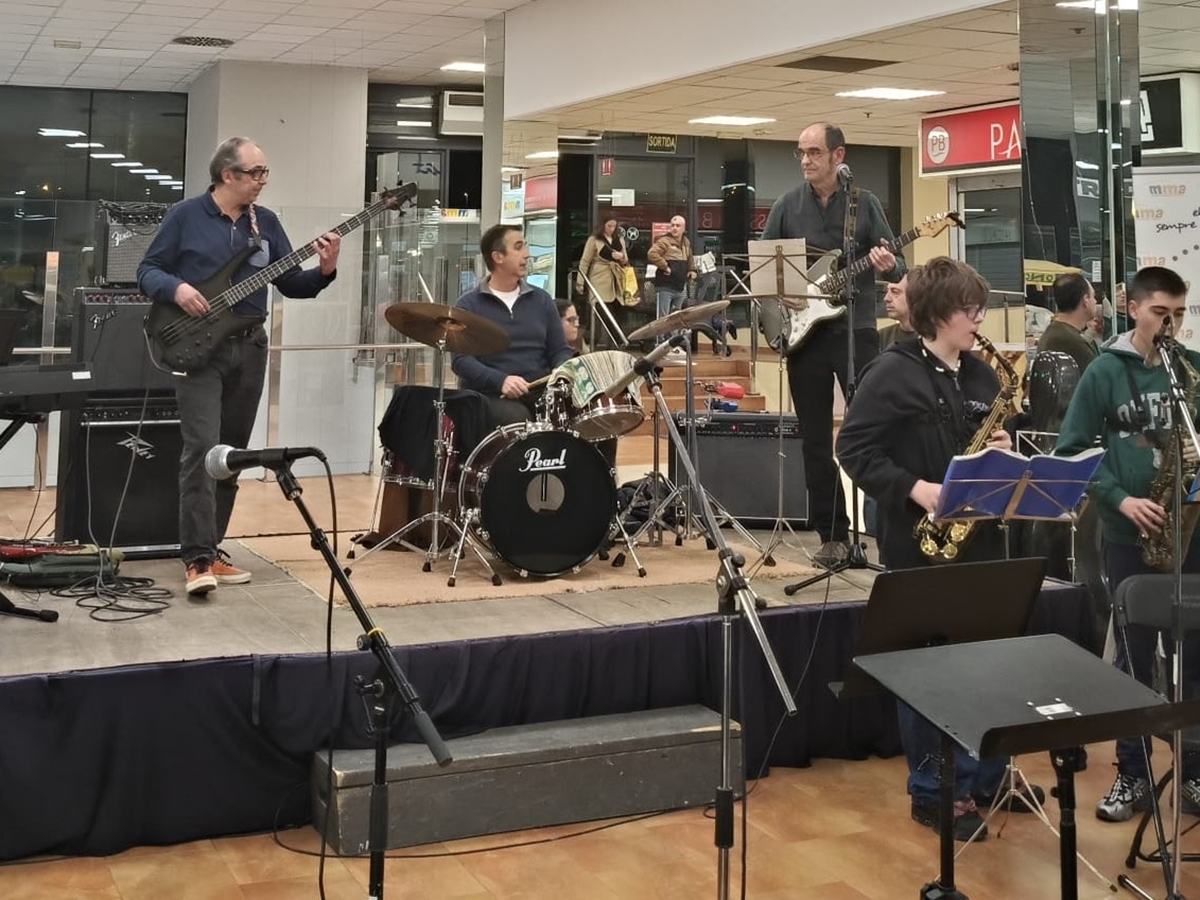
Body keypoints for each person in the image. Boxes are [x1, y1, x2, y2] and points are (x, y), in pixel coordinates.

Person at [836, 257, 1042, 841]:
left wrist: (1004, 447)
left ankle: (986, 777)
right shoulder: (889, 373)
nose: (979, 320)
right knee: (927, 669)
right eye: (969, 310)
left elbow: (989, 449)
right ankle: (935, 792)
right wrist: (917, 489)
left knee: (988, 662)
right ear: (937, 313)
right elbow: (853, 450)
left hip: (982, 540)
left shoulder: (982, 376)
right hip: (917, 542)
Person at [137, 136, 341, 596]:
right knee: (201, 450)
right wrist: (177, 290)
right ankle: (196, 559)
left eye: (265, 172)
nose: (263, 180)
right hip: (197, 351)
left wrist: (326, 269)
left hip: (249, 349)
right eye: (256, 172)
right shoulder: (186, 216)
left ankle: (213, 549)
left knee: (231, 455)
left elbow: (292, 283)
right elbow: (148, 271)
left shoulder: (265, 223)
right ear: (227, 174)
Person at [1055, 265, 1200, 822]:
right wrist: (1121, 500)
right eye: (1161, 313)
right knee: (1134, 660)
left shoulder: (1188, 369)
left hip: (1191, 532)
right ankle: (1133, 773)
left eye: (1179, 314)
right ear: (1133, 309)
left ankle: (1194, 772)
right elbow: (1072, 450)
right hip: (1129, 535)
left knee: (1196, 657)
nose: (1170, 325)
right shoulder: (1105, 371)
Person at [762, 122, 905, 567]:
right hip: (804, 337)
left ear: (837, 156)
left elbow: (898, 266)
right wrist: (780, 295)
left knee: (873, 431)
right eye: (801, 153)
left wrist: (888, 264)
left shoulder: (865, 203)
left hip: (856, 331)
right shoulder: (786, 205)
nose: (805, 160)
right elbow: (763, 271)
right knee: (815, 442)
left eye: (814, 153)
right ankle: (832, 535)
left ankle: (885, 528)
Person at [451, 224, 573, 428]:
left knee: (596, 420)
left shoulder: (542, 300)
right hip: (490, 394)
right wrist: (501, 380)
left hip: (539, 391)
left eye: (525, 245)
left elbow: (559, 350)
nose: (527, 254)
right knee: (517, 418)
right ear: (498, 257)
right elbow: (461, 361)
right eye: (518, 247)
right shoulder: (468, 305)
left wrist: (562, 371)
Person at [1037, 273, 1100, 373]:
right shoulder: (1073, 343)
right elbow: (1097, 379)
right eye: (1093, 296)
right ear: (1086, 301)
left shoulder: (1054, 332)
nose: (1095, 301)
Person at [647, 215, 696, 320]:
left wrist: (692, 270)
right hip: (665, 286)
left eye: (678, 226)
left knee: (677, 319)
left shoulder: (686, 242)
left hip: (680, 287)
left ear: (683, 228)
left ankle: (675, 332)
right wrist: (665, 267)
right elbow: (652, 254)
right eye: (672, 225)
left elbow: (690, 258)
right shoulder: (664, 241)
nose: (674, 228)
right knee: (663, 319)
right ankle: (662, 332)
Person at [576, 217, 628, 307]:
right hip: (599, 278)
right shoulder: (594, 239)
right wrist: (580, 282)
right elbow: (585, 261)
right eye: (609, 226)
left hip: (617, 279)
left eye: (614, 226)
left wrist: (621, 257)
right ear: (603, 225)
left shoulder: (619, 239)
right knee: (601, 305)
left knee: (618, 306)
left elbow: (625, 260)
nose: (612, 229)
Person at [878, 274, 916, 350]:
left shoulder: (934, 338)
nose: (886, 298)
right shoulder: (883, 335)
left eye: (895, 292)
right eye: (887, 292)